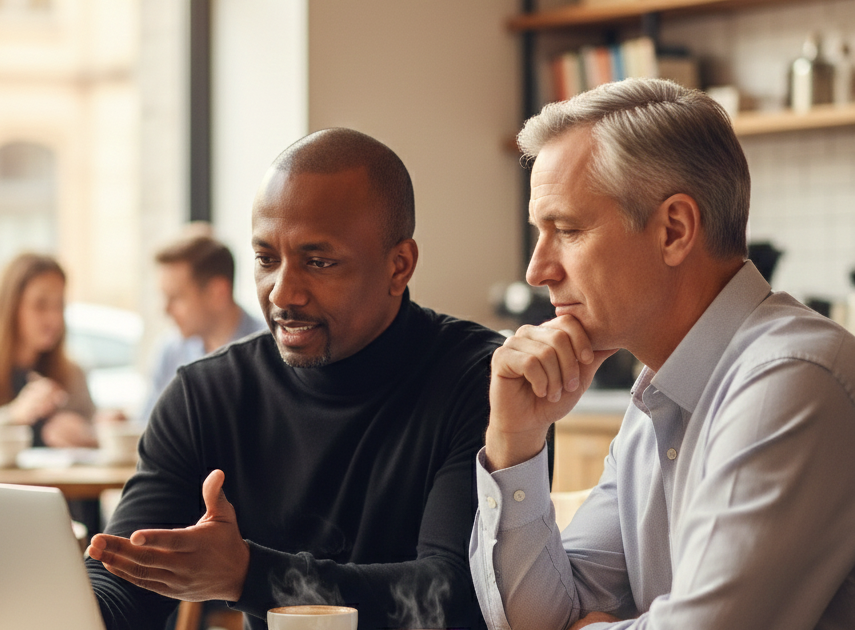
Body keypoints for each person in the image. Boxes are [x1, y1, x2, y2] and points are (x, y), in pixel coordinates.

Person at [471, 78, 855, 630]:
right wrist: (515, 443)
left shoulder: (791, 381)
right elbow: (545, 615)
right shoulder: (657, 398)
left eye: (568, 230)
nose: (537, 270)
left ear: (674, 230)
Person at [85, 128, 504, 630]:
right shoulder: (206, 395)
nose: (282, 293)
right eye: (266, 259)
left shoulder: (485, 383)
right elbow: (126, 580)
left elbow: (456, 595)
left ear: (399, 266)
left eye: (318, 262)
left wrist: (248, 575)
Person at [0, 252, 103, 461]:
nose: (53, 318)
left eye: (59, 305)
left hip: (64, 492)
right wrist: (12, 416)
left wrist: (87, 436)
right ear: (10, 306)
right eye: (40, 304)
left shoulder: (71, 372)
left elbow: (96, 435)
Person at [138, 231, 265, 424]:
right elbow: (147, 427)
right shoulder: (170, 351)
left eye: (176, 297)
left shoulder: (269, 352)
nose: (165, 310)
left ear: (218, 292)